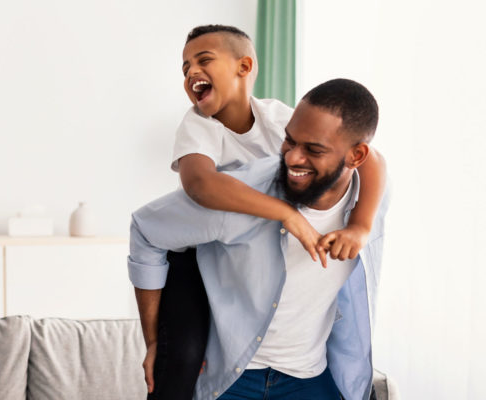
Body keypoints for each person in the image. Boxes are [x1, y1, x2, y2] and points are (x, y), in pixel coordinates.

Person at [141, 25, 387, 399]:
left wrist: (361, 226)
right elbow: (201, 186)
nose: (191, 72)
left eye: (203, 60)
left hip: (255, 250)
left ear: (245, 66)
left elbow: (372, 160)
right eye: (185, 66)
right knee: (183, 358)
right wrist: (286, 215)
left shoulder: (277, 117)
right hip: (198, 250)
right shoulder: (198, 126)